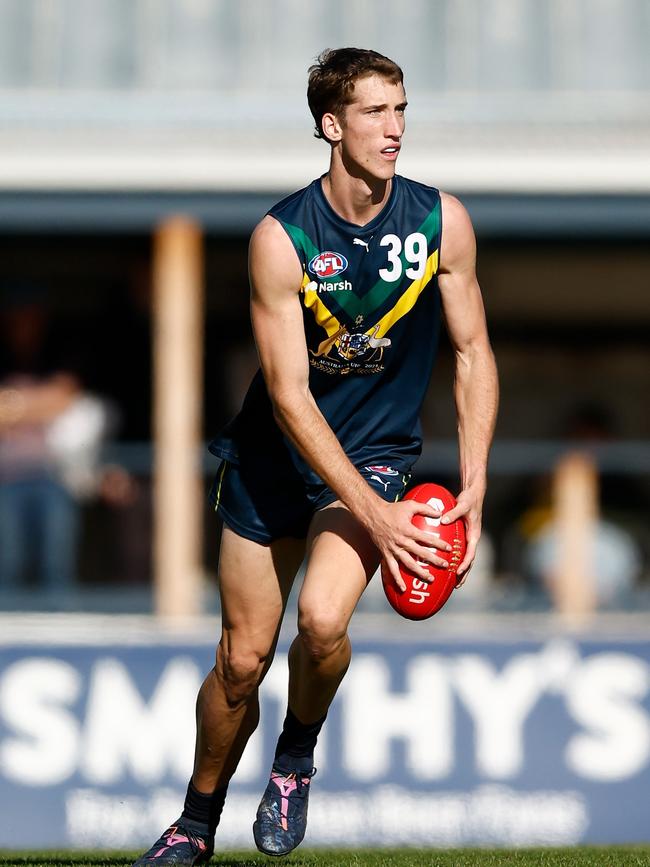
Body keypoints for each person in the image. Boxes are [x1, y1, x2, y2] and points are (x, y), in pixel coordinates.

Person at [133, 47, 498, 865]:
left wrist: (474, 480)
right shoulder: (282, 237)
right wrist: (380, 519)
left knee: (324, 620)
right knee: (240, 661)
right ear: (331, 125)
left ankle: (295, 758)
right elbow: (291, 398)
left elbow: (473, 350)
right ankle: (195, 820)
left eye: (401, 109)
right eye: (375, 112)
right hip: (272, 458)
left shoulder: (442, 220)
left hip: (375, 454)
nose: (395, 128)